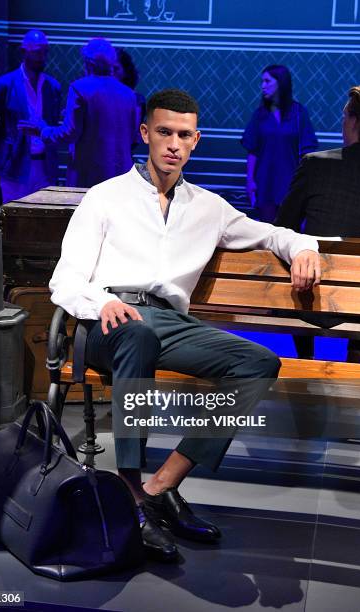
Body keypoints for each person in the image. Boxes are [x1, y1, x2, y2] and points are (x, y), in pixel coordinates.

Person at [49, 89, 321, 561]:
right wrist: (102, 301)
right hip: (106, 324)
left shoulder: (209, 207)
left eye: (183, 135)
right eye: (163, 133)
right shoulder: (105, 197)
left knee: (258, 362)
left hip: (170, 323)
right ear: (145, 134)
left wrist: (304, 248)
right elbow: (65, 279)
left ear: (195, 140)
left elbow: (275, 233)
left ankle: (161, 485)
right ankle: (130, 496)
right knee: (136, 331)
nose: (173, 143)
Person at [276, 85, 360, 362]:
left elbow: (284, 226)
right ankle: (357, 358)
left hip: (312, 297)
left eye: (345, 116)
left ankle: (306, 361)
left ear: (354, 121)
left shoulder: (315, 165)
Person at [21, 38, 139, 188]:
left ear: (88, 63)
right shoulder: (129, 94)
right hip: (121, 178)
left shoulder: (80, 88)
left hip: (89, 178)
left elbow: (69, 133)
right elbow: (133, 137)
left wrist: (42, 129)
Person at [0, 30, 61, 203]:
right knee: (13, 217)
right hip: (14, 165)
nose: (42, 57)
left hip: (44, 166)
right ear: (24, 51)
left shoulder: (53, 87)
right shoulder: (5, 85)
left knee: (42, 219)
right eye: (37, 51)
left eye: (45, 51)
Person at [241, 64, 318, 223]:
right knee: (268, 232)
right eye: (262, 82)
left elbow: (307, 152)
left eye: (267, 81)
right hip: (265, 183)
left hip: (291, 183)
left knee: (290, 231)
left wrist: (307, 184)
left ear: (280, 82)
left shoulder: (298, 113)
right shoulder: (260, 115)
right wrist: (250, 181)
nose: (263, 86)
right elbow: (252, 151)